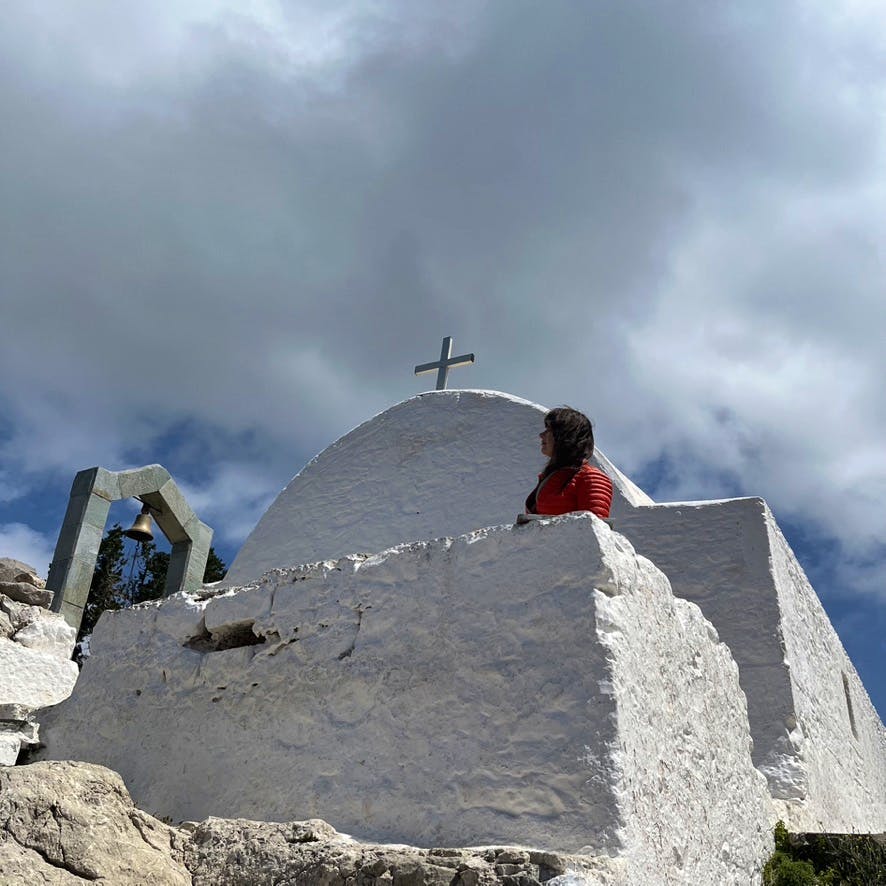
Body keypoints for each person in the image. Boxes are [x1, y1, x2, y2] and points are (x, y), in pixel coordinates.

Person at [524, 406, 613, 519]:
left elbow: (594, 530)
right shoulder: (551, 477)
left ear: (565, 435)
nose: (541, 435)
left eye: (549, 430)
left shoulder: (590, 477)